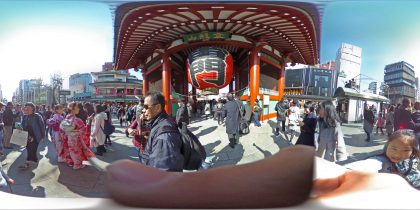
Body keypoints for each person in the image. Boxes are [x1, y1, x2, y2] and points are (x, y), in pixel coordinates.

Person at [344, 129, 420, 189]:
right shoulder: (381, 160)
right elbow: (369, 164)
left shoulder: (412, 160)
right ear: (387, 146)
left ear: (413, 151)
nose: (397, 154)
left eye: (405, 150)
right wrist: (346, 171)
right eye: (394, 148)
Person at [141, 91, 184, 171]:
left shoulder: (164, 135)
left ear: (157, 107)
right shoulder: (159, 125)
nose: (143, 110)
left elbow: (164, 172)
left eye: (146, 107)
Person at [60, 102, 94, 169]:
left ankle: (71, 162)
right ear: (73, 109)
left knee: (70, 150)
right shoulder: (78, 120)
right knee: (76, 151)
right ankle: (77, 165)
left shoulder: (66, 118)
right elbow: (84, 130)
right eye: (77, 107)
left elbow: (62, 130)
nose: (79, 109)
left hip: (68, 138)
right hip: (76, 139)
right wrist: (89, 123)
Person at [18, 102, 45, 169]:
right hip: (27, 136)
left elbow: (42, 126)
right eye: (25, 107)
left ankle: (27, 163)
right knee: (29, 148)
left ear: (32, 108)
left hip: (36, 136)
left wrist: (43, 136)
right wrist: (20, 128)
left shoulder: (37, 116)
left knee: (32, 149)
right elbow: (23, 126)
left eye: (28, 107)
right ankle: (35, 159)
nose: (26, 108)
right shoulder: (25, 116)